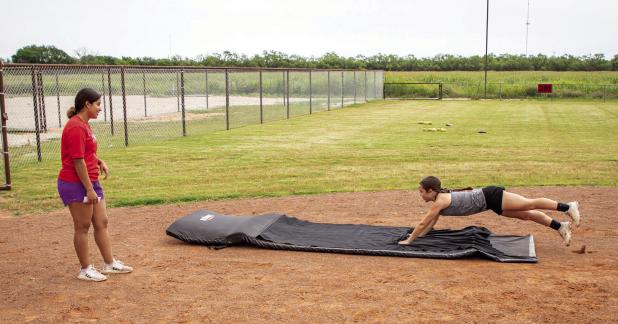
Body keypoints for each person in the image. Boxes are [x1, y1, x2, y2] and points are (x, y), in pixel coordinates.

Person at [57, 88, 133, 281]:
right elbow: (77, 161)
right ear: (87, 104)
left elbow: (86, 153)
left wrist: (99, 161)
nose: (100, 108)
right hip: (76, 183)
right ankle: (85, 269)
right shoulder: (75, 127)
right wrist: (89, 189)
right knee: (82, 226)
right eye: (97, 104)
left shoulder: (84, 125)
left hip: (91, 180)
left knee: (101, 222)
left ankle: (109, 264)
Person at [398, 176, 581, 246]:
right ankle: (560, 227)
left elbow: (423, 222)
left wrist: (410, 240)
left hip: (491, 195)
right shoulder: (439, 201)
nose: (420, 194)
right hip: (490, 203)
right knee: (526, 215)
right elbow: (429, 224)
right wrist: (421, 236)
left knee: (529, 204)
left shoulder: (441, 201)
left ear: (431, 191)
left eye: (421, 191)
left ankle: (568, 206)